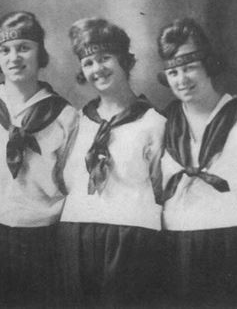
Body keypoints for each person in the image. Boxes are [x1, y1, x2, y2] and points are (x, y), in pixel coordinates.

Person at [0, 11, 77, 307]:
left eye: (24, 47)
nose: (14, 57)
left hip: (41, 236)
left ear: (40, 52)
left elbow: (72, 181)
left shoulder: (65, 115)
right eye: (5, 50)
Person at [157, 17, 237, 308]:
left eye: (190, 67)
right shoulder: (161, 125)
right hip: (174, 250)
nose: (182, 79)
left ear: (208, 65)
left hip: (233, 248)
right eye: (174, 72)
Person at [57, 18, 165, 307]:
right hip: (75, 234)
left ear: (123, 62)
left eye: (105, 58)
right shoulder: (76, 121)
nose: (97, 69)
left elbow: (161, 189)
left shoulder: (153, 123)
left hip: (130, 238)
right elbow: (65, 181)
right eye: (89, 62)